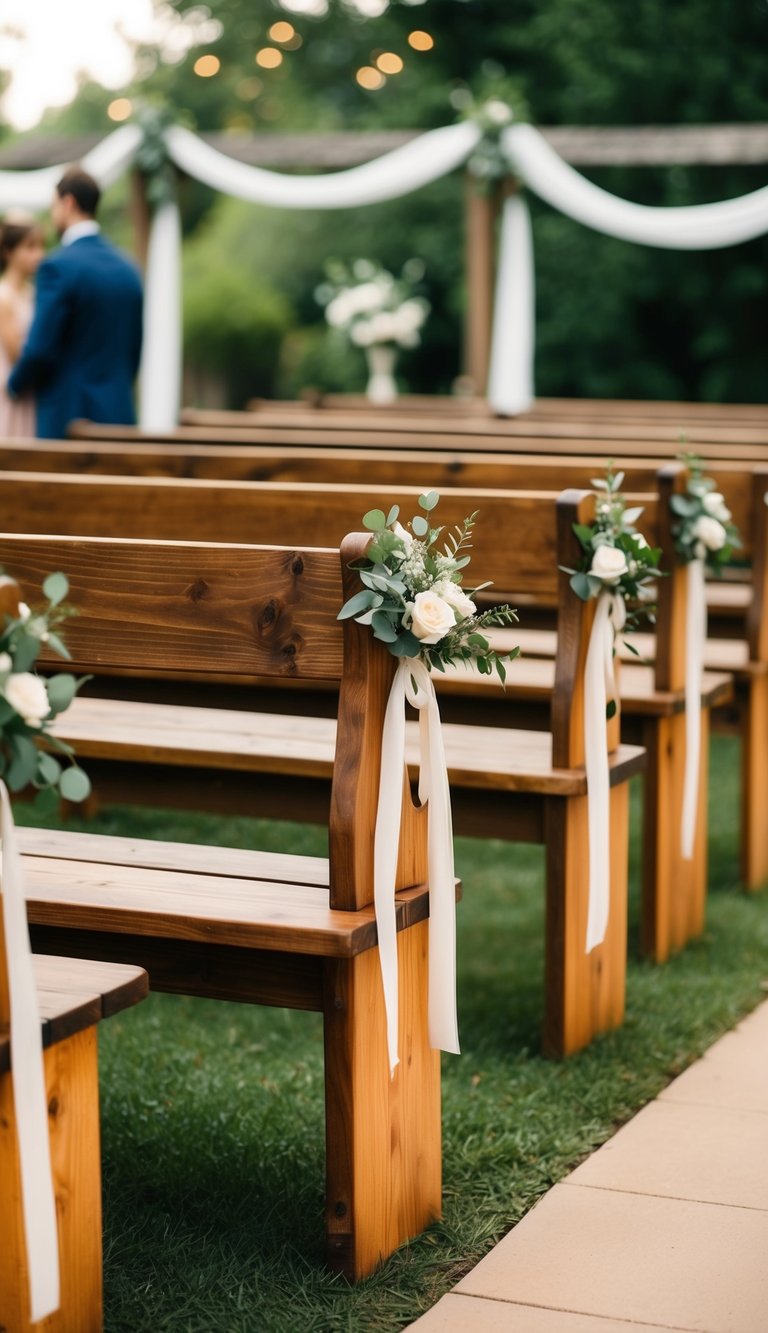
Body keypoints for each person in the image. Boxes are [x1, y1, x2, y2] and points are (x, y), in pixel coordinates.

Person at [8, 167, 143, 439]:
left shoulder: (57, 267)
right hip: (119, 417)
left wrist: (13, 386)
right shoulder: (129, 269)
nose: (53, 215)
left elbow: (39, 350)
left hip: (68, 421)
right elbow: (133, 351)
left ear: (68, 203)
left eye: (53, 206)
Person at [0, 213, 45, 436]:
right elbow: (15, 354)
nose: (38, 255)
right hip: (11, 392)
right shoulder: (4, 297)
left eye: (40, 247)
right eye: (29, 247)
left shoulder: (35, 293)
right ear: (9, 252)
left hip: (32, 392)